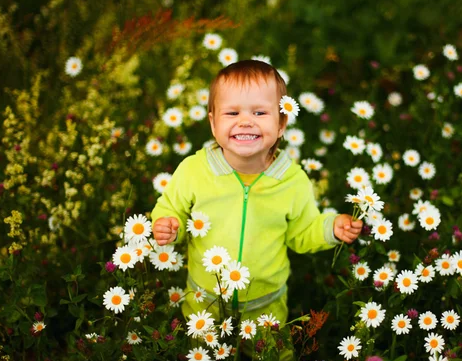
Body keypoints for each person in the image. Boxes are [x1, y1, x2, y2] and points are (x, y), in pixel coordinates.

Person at [151, 60, 362, 326]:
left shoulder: (292, 180)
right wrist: (169, 224)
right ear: (213, 123)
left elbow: (303, 231)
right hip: (205, 300)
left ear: (281, 123)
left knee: (272, 360)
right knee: (201, 357)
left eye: (260, 113)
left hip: (266, 304)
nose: (246, 122)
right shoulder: (194, 170)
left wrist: (331, 228)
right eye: (232, 114)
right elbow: (171, 207)